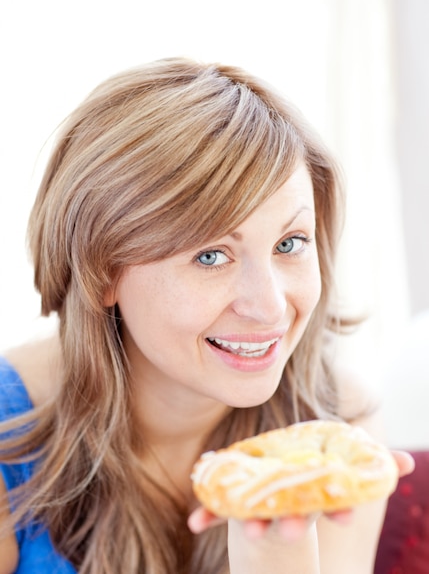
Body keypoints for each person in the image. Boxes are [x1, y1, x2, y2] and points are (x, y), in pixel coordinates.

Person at [0, 58, 413, 574]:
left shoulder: (336, 429)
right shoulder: (8, 437)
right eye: (211, 256)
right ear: (102, 272)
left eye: (290, 243)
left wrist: (276, 554)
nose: (268, 306)